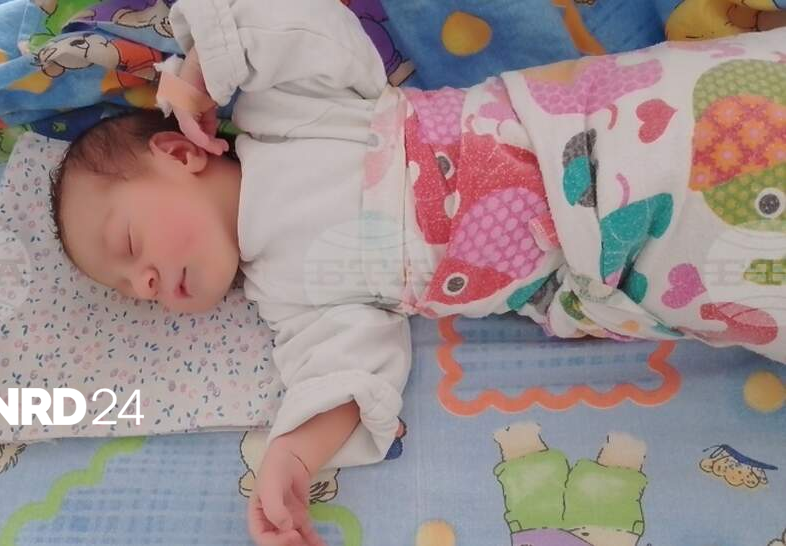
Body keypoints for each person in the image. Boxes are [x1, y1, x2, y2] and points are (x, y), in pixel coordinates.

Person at [49, 0, 786, 544]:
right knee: (735, 274)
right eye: (130, 291)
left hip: (580, 132)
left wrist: (198, 74)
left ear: (180, 154)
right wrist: (291, 458)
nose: (143, 283)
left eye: (128, 244)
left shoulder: (290, 116)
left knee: (721, 112)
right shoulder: (289, 298)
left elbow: (291, 23)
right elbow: (342, 373)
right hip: (607, 268)